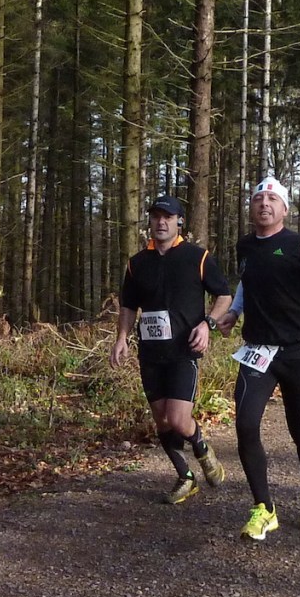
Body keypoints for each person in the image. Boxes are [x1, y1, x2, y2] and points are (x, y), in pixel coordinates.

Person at [216, 177, 300, 541]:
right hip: (258, 352)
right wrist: (235, 311)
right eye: (258, 198)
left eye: (272, 199)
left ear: (285, 209)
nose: (264, 203)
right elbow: (248, 280)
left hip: (297, 352)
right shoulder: (245, 245)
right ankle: (264, 508)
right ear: (251, 207)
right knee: (245, 424)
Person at [110, 195, 233, 504]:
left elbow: (224, 296)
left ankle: (202, 449)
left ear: (180, 221)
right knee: (162, 421)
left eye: (167, 217)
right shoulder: (137, 263)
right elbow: (128, 306)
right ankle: (185, 477)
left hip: (183, 350)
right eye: (156, 216)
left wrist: (207, 324)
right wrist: (122, 338)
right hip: (151, 353)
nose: (161, 222)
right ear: (150, 221)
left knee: (178, 419)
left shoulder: (197, 257)